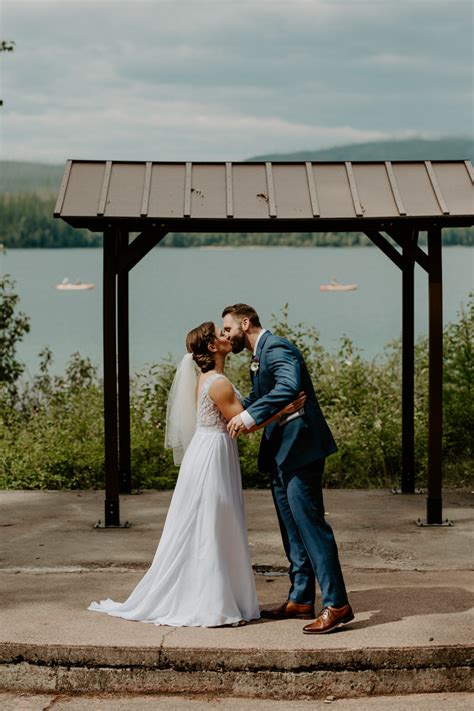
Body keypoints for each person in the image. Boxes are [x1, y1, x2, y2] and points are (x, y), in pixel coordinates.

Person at [88, 321, 304, 628]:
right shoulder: (218, 383)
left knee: (208, 522)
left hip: (207, 449)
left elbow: (240, 413)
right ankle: (213, 603)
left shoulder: (206, 379)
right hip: (213, 454)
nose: (227, 336)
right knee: (213, 523)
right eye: (221, 334)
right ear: (213, 347)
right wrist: (282, 410)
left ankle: (211, 596)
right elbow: (244, 424)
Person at [223, 304, 353, 635]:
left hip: (301, 447)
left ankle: (337, 604)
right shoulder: (258, 355)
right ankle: (300, 597)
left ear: (245, 322)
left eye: (229, 328)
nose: (227, 334)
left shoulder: (276, 346)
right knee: (291, 527)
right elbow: (260, 396)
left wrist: (249, 419)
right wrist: (228, 412)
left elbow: (288, 386)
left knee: (311, 525)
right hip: (280, 451)